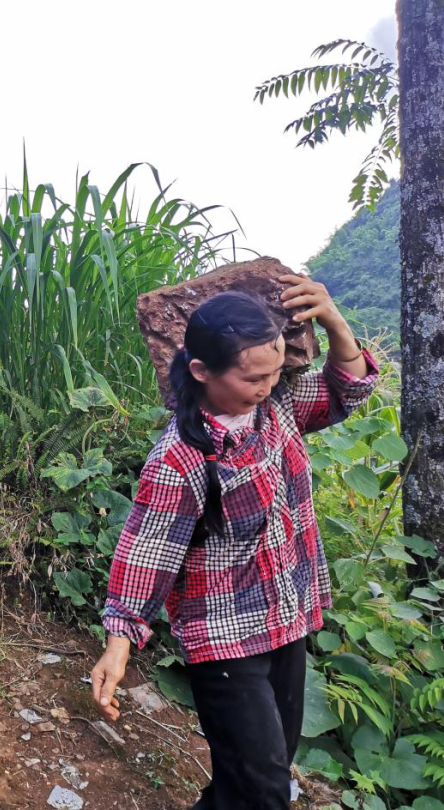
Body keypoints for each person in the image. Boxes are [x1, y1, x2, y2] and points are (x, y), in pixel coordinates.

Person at [90, 278, 378, 809]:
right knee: (265, 789)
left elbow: (349, 388)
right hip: (223, 634)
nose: (269, 385)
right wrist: (119, 641)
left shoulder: (277, 411)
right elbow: (147, 550)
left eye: (274, 372)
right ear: (201, 372)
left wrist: (334, 320)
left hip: (285, 617)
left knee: (252, 777)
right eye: (253, 378)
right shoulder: (180, 458)